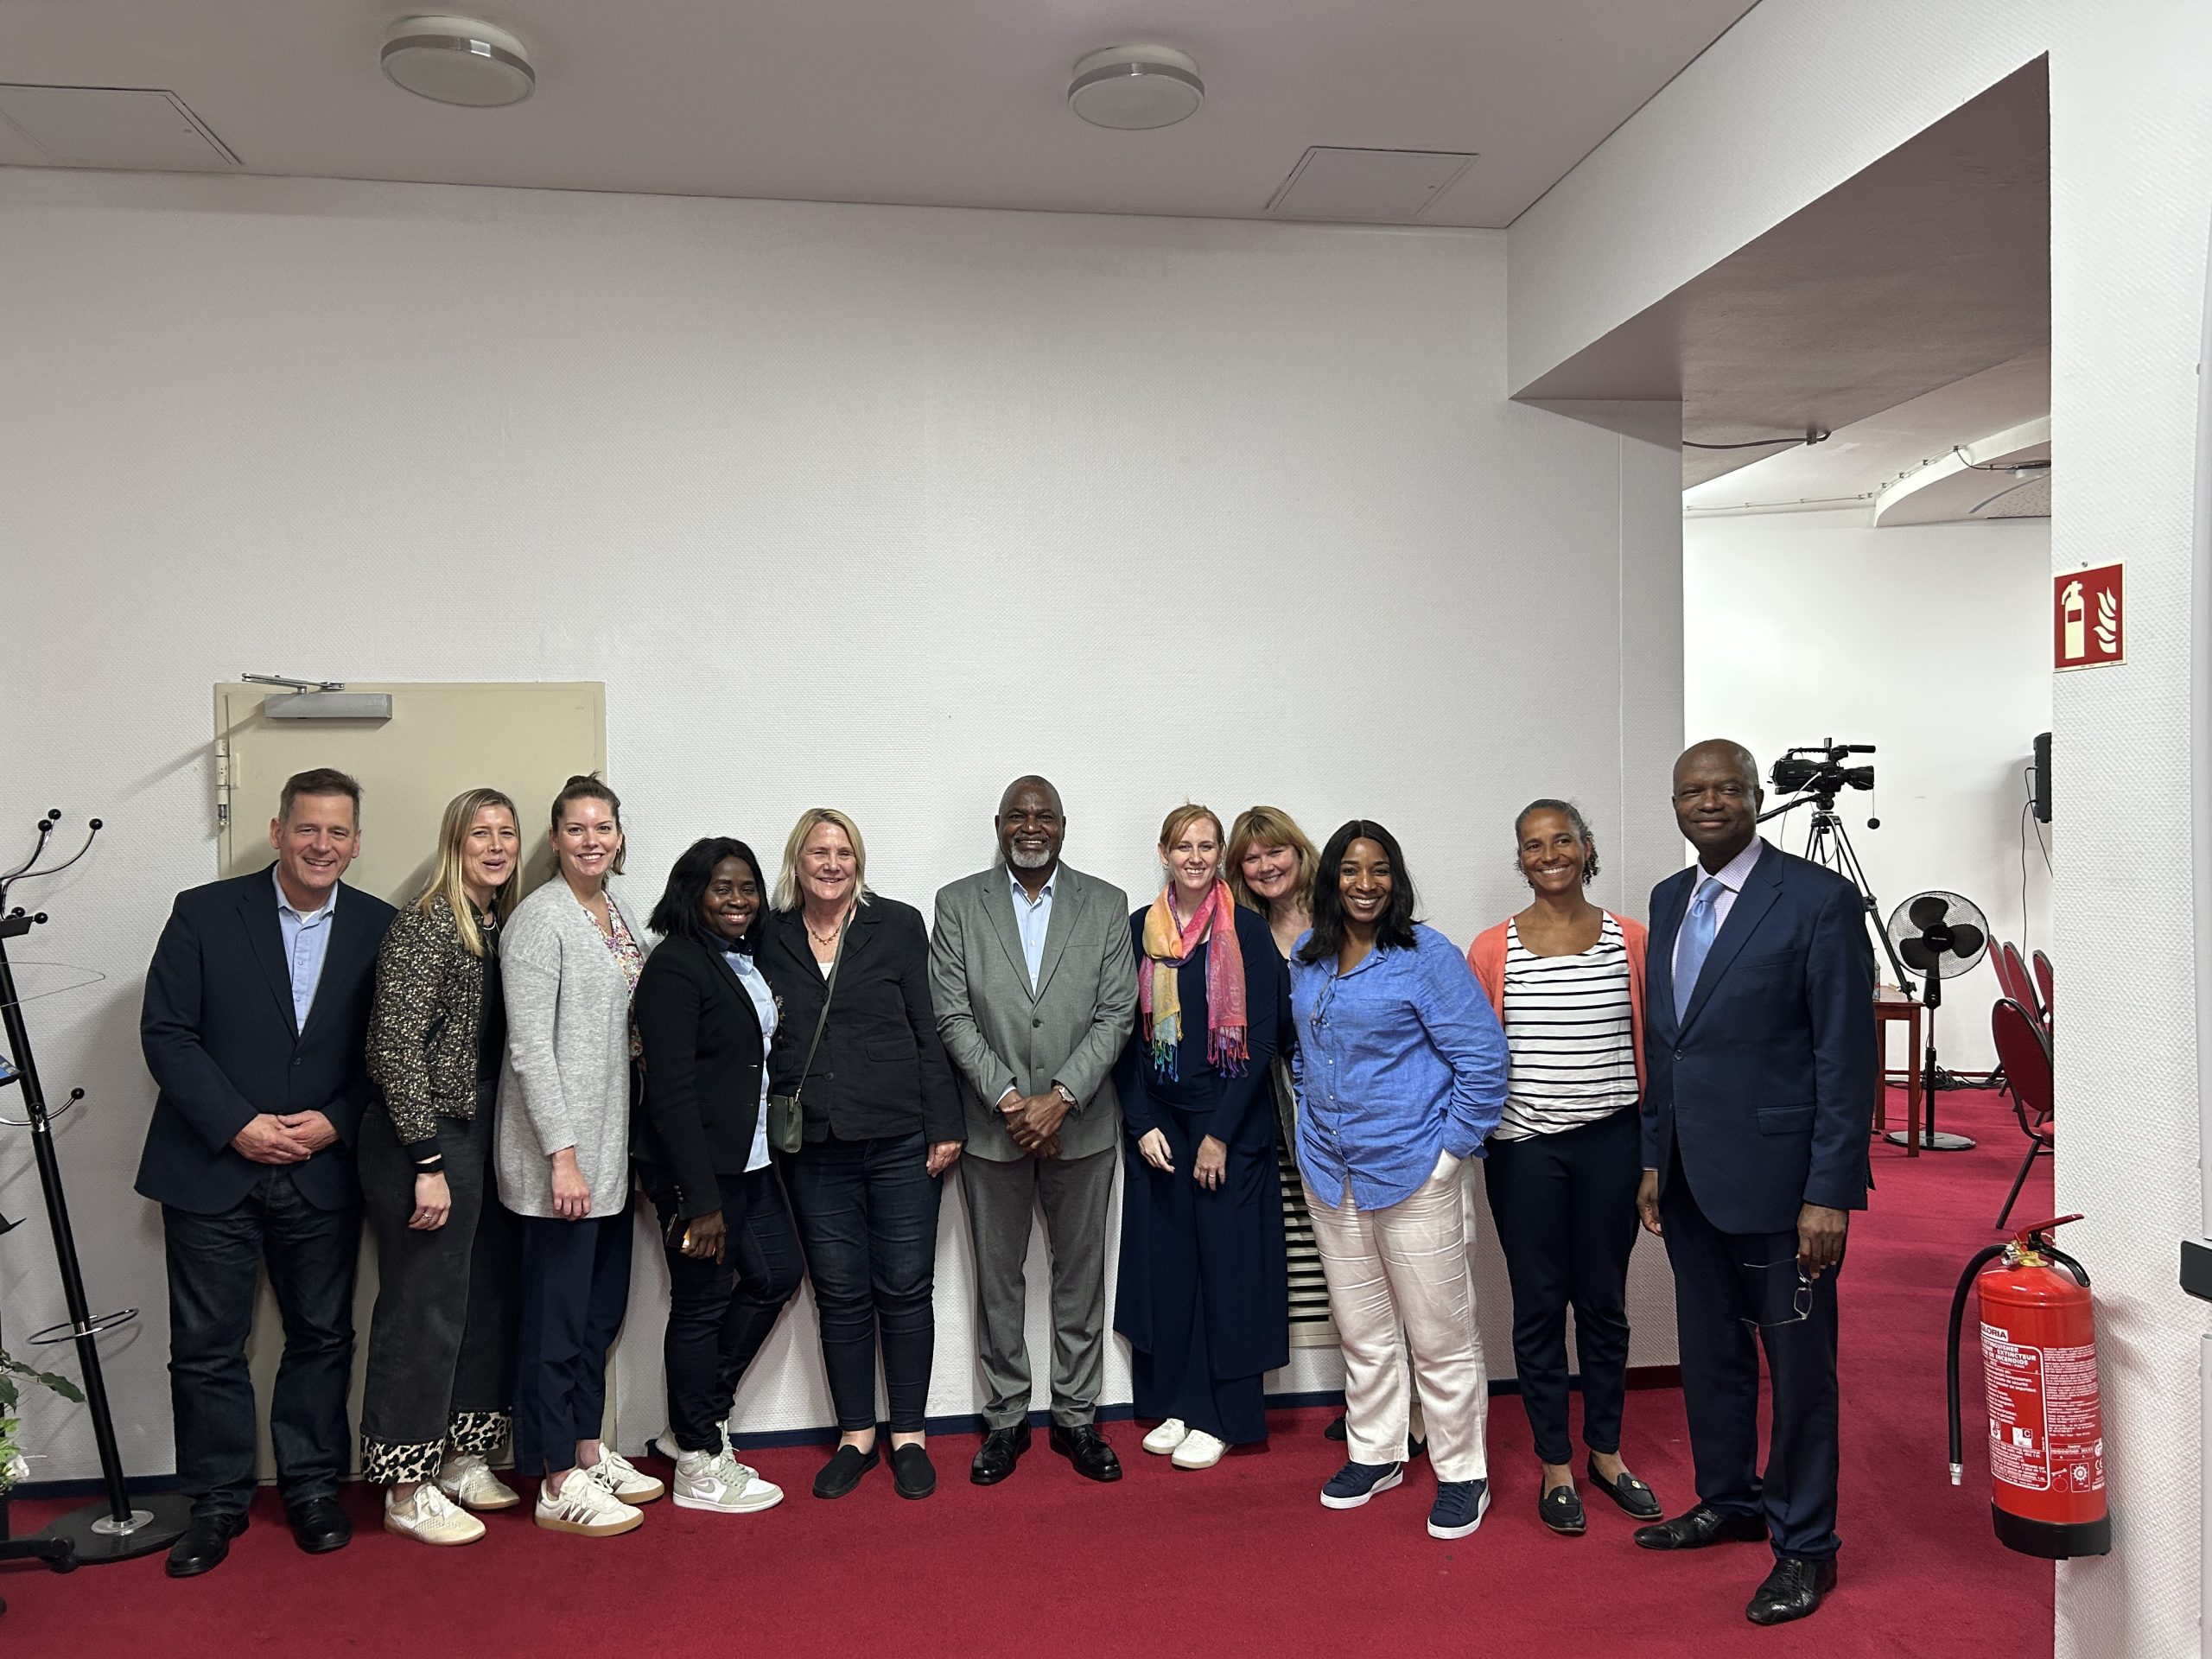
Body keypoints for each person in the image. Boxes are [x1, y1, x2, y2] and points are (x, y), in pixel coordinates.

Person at [1634, 740, 1874, 1627]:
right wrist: (1654, 1157)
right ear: (1674, 803)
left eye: (1727, 788)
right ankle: (1729, 1500)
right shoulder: (1670, 897)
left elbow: (1845, 1057)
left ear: (1755, 796)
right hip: (1690, 1175)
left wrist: (1829, 1191)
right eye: (1691, 791)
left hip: (1783, 1184)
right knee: (1711, 1354)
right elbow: (1669, 1044)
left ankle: (1806, 1545)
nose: (1709, 803)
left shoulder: (1817, 899)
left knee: (1800, 1374)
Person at [137, 768, 396, 1577]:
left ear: (356, 842)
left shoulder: (381, 926)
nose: (322, 845)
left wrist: (339, 1118)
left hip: (323, 1168)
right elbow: (167, 1033)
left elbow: (392, 1050)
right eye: (307, 828)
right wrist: (238, 1126)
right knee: (206, 1346)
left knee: (322, 1336)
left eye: (338, 831)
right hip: (213, 1165)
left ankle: (313, 1488)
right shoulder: (203, 912)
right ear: (278, 830)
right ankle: (215, 1504)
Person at [1290, 819, 1507, 1541]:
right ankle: (1376, 1453)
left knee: (1441, 1334)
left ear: (1396, 878)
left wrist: (1449, 1156)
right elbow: (1305, 1054)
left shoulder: (1425, 956)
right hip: (1333, 1175)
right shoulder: (1308, 955)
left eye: (1379, 869)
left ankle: (1463, 1472)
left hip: (1415, 1171)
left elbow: (1484, 1061)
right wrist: (1309, 1122)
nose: (1365, 883)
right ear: (1331, 879)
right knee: (1363, 1331)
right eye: (1351, 869)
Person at [930, 777, 1137, 1487]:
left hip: (1084, 1126)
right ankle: (1006, 1419)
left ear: (1062, 825)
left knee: (1080, 1279)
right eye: (1017, 815)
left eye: (1043, 815)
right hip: (995, 1129)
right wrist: (1015, 1102)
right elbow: (952, 1013)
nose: (1030, 826)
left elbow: (1117, 1012)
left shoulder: (1106, 904)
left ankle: (1077, 1417)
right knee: (998, 1282)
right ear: (998, 825)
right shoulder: (958, 903)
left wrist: (1063, 1097)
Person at [1466, 800, 1662, 1536]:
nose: (1548, 854)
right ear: (1519, 859)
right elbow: (1472, 1051)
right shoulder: (1492, 948)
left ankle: (1605, 1453)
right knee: (1540, 1306)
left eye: (1561, 840)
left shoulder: (1631, 940)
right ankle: (1555, 1464)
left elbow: (1660, 1053)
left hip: (1613, 1145)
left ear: (1586, 847)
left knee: (1604, 1304)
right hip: (1524, 1153)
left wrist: (1652, 1157)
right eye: (1532, 845)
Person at [759, 808, 963, 1502]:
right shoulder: (770, 934)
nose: (831, 864)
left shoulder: (897, 925)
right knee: (840, 1294)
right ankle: (856, 1436)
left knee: (905, 1288)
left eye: (843, 852)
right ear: (797, 861)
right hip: (813, 1146)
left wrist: (944, 1125)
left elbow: (927, 1028)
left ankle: (909, 1436)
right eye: (818, 852)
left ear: (858, 862)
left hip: (901, 1138)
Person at [497, 774, 664, 1537]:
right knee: (554, 1327)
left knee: (598, 1318)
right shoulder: (541, 920)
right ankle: (555, 1477)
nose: (591, 840)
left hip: (610, 1152)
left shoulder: (616, 912)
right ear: (555, 839)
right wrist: (561, 1156)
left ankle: (587, 1449)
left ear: (619, 837)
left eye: (603, 828)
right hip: (560, 1161)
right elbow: (531, 1048)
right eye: (576, 829)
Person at [359, 787, 527, 1546]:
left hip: (489, 1126)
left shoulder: (498, 927)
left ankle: (464, 1456)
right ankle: (405, 1485)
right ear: (454, 843)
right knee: (423, 1304)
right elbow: (393, 1049)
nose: (495, 847)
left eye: (506, 834)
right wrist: (425, 1160)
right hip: (425, 1137)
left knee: (483, 1295)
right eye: (479, 833)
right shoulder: (425, 925)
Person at [1114, 804, 1289, 1470]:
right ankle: (1179, 1405)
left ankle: (1225, 1416)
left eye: (1207, 846)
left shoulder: (1248, 931)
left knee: (1231, 1272)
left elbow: (1263, 1040)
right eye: (1183, 846)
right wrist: (1141, 1123)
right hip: (1162, 1126)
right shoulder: (1139, 929)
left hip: (1229, 1127)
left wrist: (1219, 1135)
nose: (1195, 857)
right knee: (1171, 1269)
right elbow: (1122, 1035)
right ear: (1164, 852)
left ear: (1220, 856)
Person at [633, 836, 800, 1516]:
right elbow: (670, 1091)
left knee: (778, 1272)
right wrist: (699, 1202)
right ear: (692, 893)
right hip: (696, 1173)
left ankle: (694, 1422)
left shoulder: (741, 959)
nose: (738, 900)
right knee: (700, 1305)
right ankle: (698, 1465)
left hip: (749, 1160)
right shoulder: (676, 966)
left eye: (748, 888)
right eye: (722, 888)